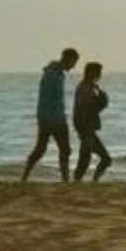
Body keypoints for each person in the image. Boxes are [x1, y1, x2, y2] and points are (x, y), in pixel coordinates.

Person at [21, 47, 80, 184]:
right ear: (67, 59)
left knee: (65, 149)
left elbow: (58, 99)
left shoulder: (60, 75)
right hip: (49, 119)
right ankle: (25, 176)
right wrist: (45, 118)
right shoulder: (51, 75)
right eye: (73, 62)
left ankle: (65, 179)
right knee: (41, 149)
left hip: (59, 117)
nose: (73, 66)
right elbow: (45, 99)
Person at [74, 60, 113, 182]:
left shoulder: (90, 87)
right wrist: (101, 101)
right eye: (99, 72)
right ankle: (85, 181)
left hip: (87, 127)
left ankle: (90, 180)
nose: (100, 75)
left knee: (91, 157)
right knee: (89, 158)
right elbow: (85, 108)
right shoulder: (85, 87)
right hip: (86, 127)